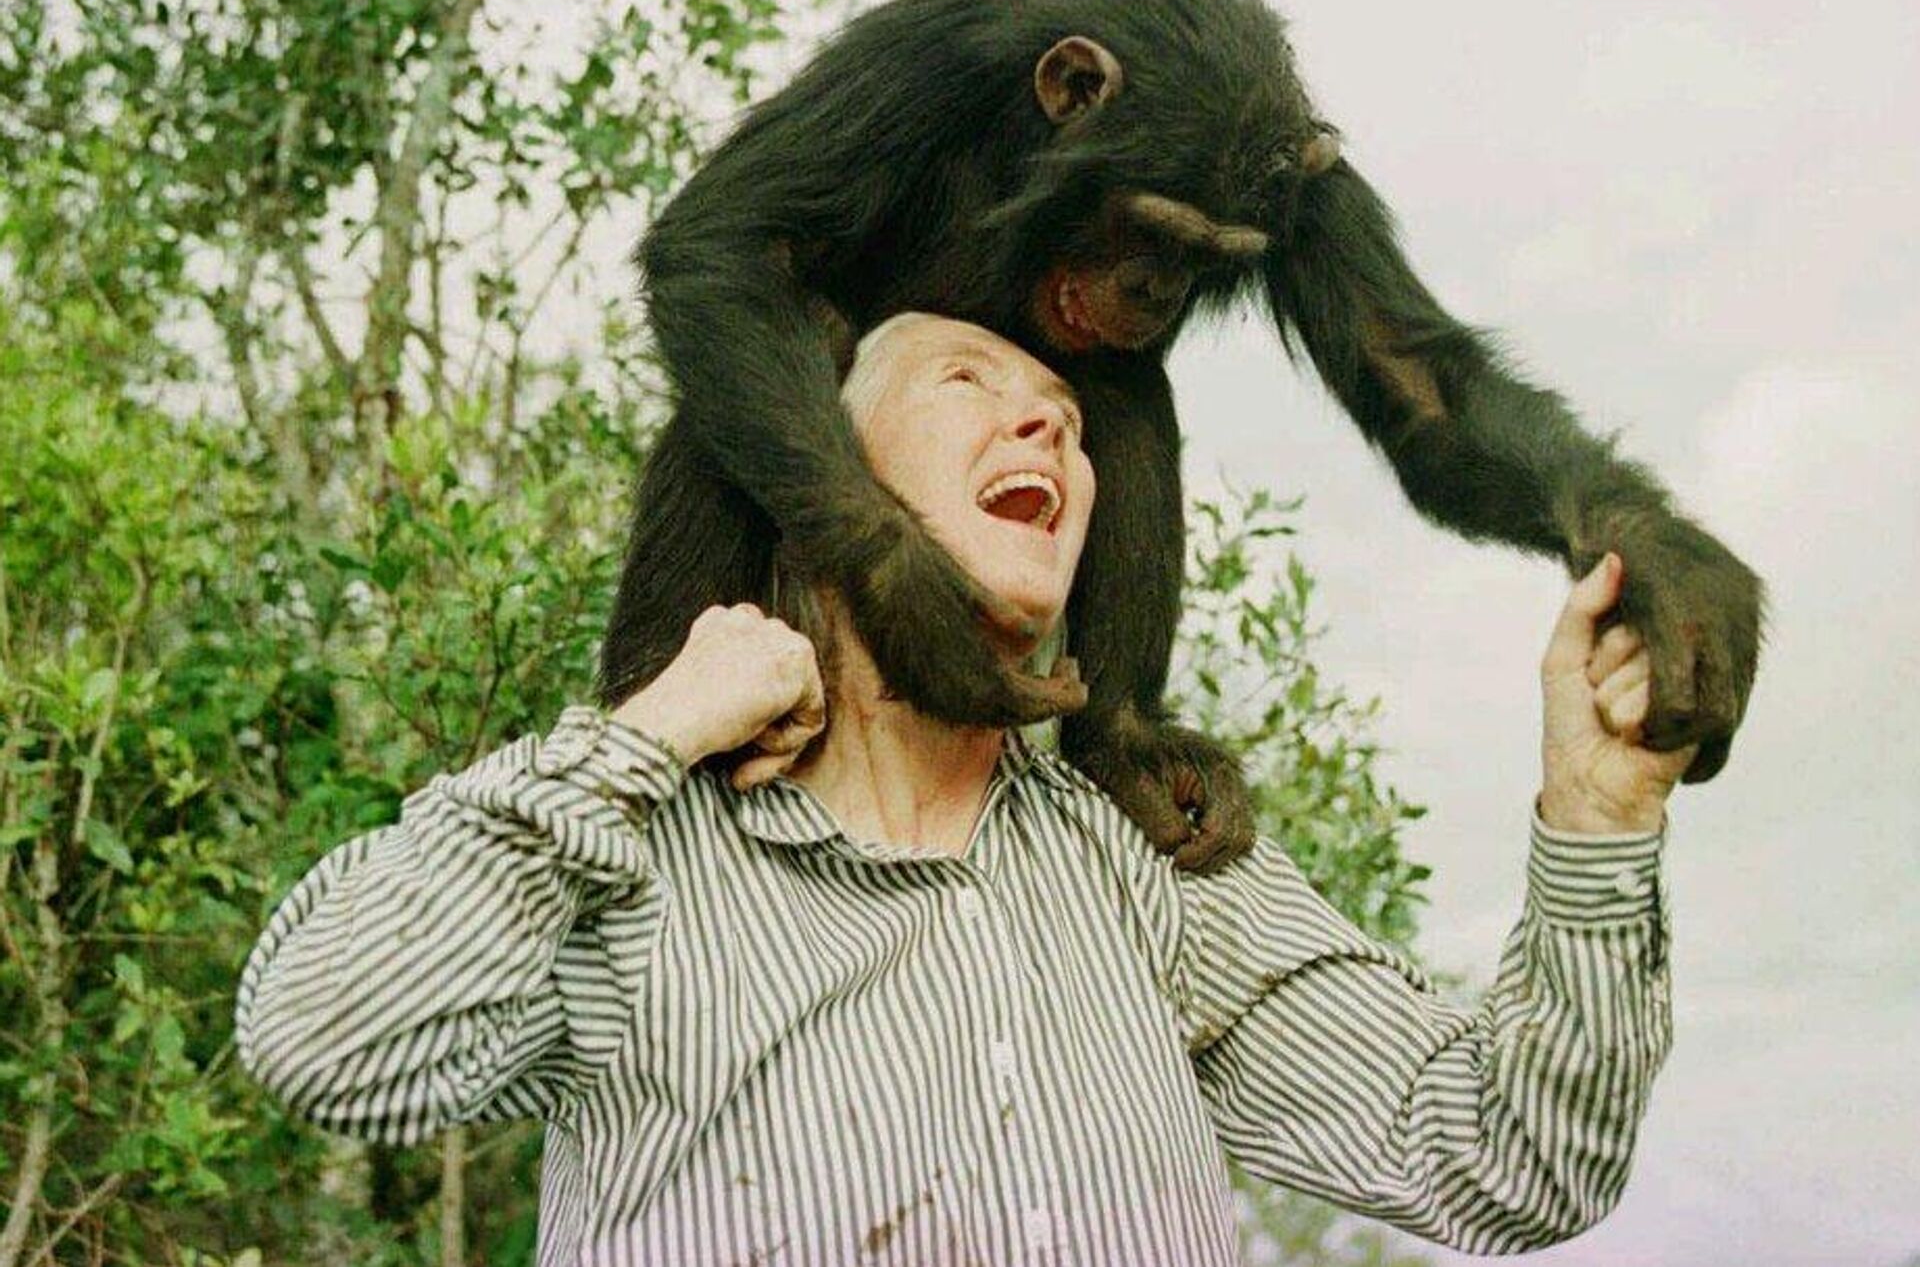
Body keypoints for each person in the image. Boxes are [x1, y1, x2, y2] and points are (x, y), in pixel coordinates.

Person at [235, 312, 1696, 1266]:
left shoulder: (1145, 863)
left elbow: (1509, 1156)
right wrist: (654, 726)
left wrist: (1601, 816)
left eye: (1066, 415)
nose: (1047, 425)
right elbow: (324, 1032)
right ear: (816, 477)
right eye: (967, 384)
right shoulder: (642, 857)